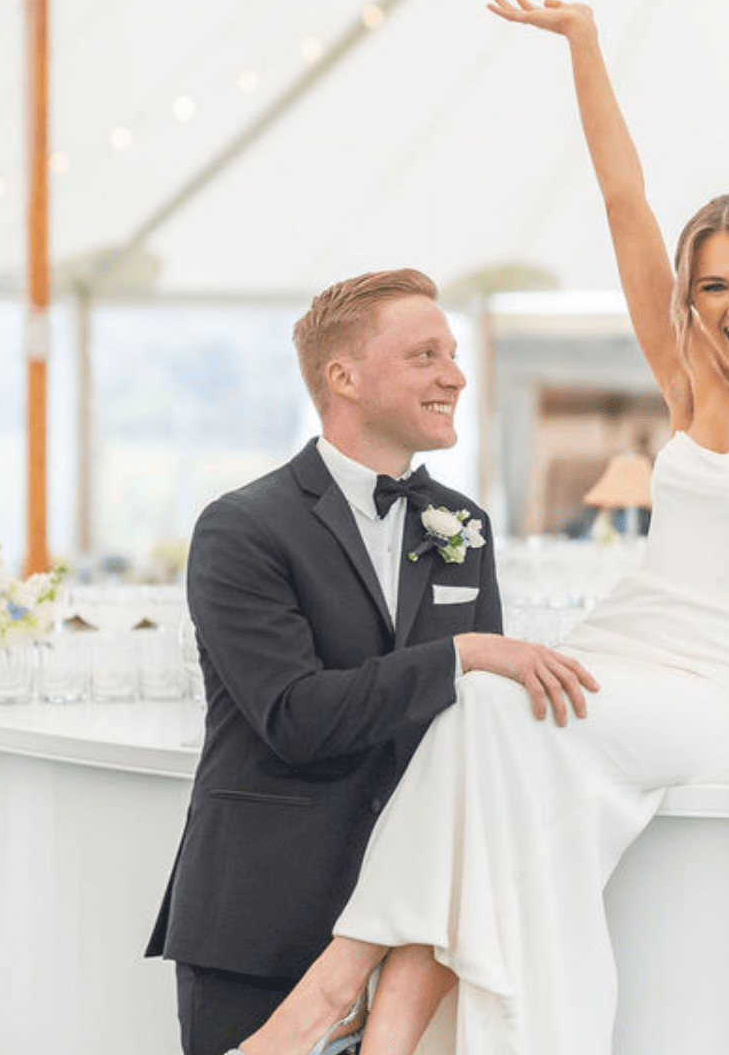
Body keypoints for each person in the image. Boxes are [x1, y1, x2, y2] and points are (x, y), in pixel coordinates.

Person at [229, 0, 729, 1055]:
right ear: (692, 298)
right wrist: (583, 43)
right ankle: (382, 1037)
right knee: (478, 722)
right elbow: (625, 199)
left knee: (489, 712)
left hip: (722, 688)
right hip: (623, 644)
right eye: (713, 285)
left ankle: (330, 989)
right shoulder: (689, 379)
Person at [145, 267, 600, 1055]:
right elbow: (296, 717)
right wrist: (465, 652)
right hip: (265, 918)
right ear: (344, 378)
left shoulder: (462, 524)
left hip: (416, 932)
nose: (454, 376)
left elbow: (474, 730)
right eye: (425, 355)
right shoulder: (241, 528)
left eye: (452, 354)